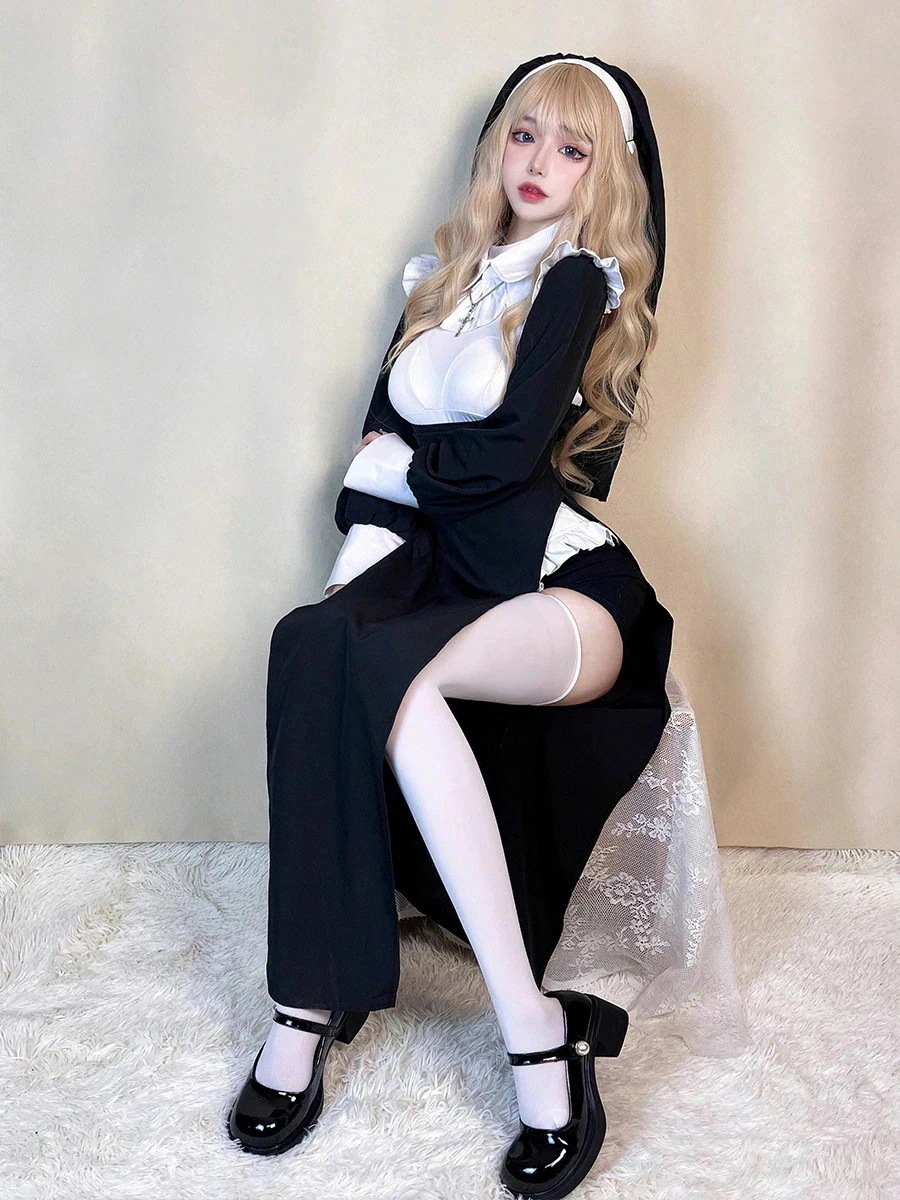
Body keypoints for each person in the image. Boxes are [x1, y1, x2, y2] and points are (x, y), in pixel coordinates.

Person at [228, 52, 673, 1198]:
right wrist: (349, 586)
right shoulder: (439, 281)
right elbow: (371, 462)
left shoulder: (574, 283)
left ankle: (536, 1032)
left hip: (556, 588)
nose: (540, 164)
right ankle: (310, 995)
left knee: (394, 674)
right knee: (310, 641)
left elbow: (505, 455)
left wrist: (403, 464)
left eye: (572, 148)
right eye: (525, 135)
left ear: (602, 175)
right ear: (497, 145)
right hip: (437, 573)